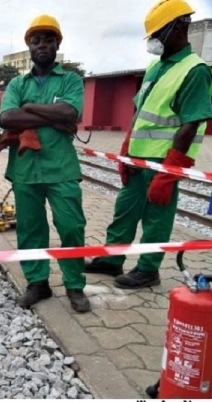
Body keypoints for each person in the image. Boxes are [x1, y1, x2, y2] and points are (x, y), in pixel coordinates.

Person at [85, 0, 212, 289]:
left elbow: (189, 124)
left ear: (180, 26)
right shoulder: (156, 66)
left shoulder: (195, 70)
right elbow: (141, 112)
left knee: (156, 217)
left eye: (159, 32)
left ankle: (148, 269)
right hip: (138, 160)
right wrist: (126, 150)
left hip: (163, 162)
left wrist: (169, 172)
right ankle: (112, 260)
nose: (153, 41)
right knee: (124, 212)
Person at [0, 15, 90, 313]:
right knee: (30, 230)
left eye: (48, 39)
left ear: (57, 43)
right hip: (25, 170)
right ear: (29, 47)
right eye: (36, 41)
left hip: (61, 168)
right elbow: (6, 118)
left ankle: (75, 285)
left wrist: (30, 108)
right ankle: (38, 283)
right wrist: (54, 116)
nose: (42, 45)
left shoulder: (71, 80)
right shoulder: (16, 83)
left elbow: (70, 112)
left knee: (71, 226)